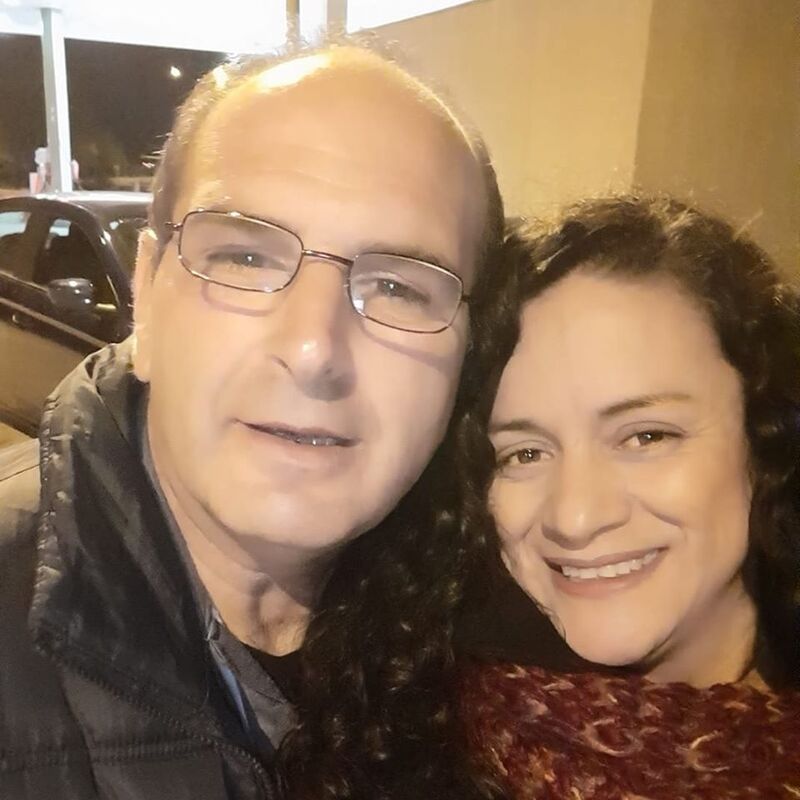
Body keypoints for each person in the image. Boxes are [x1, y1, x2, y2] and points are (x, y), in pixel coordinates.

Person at [0, 41, 504, 800]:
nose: (312, 349)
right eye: (244, 259)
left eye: (399, 287)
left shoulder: (489, 631)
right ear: (146, 294)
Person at [456, 196, 800, 798]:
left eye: (646, 436)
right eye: (524, 453)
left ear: (763, 434)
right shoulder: (400, 737)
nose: (575, 517)